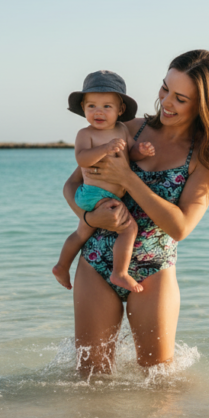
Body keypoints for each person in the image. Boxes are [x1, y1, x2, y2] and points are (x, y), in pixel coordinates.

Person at [63, 50, 209, 374]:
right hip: (95, 262)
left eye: (180, 98)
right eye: (165, 89)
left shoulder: (204, 157)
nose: (167, 102)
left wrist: (128, 179)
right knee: (89, 382)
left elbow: (180, 227)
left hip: (154, 269)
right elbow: (72, 184)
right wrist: (89, 218)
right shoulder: (127, 129)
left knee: (158, 384)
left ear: (205, 105)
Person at [53, 70, 156, 293]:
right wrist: (104, 148)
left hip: (105, 195)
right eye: (92, 106)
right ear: (83, 109)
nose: (98, 112)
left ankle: (62, 266)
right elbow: (82, 159)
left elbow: (129, 156)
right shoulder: (86, 134)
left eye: (107, 106)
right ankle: (119, 273)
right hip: (92, 193)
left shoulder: (121, 130)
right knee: (129, 228)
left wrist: (141, 151)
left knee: (83, 232)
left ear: (120, 110)